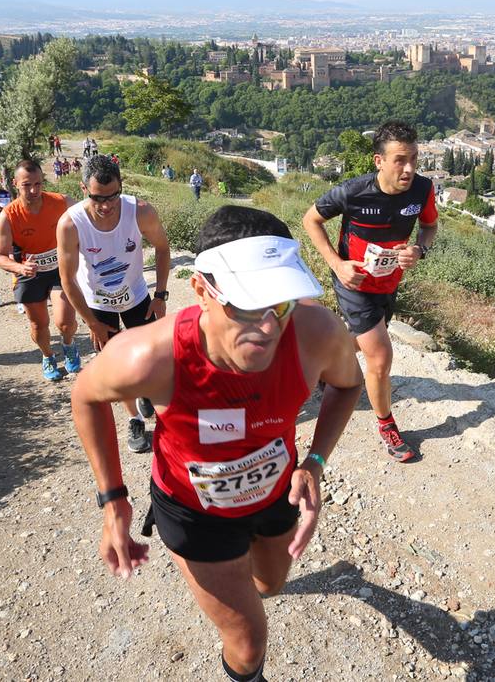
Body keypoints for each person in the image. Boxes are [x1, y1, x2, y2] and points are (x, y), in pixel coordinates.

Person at [69, 206, 363, 682]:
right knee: (249, 642)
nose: (268, 327)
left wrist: (315, 460)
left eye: (281, 303)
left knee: (270, 584)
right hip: (194, 513)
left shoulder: (318, 335)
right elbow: (85, 396)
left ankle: (240, 577)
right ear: (202, 291)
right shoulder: (149, 357)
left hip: (274, 495)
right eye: (247, 305)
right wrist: (112, 500)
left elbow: (349, 385)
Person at [302, 120, 437, 463]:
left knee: (363, 341)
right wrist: (337, 264)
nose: (409, 168)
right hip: (354, 284)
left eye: (414, 159)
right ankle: (387, 426)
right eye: (400, 160)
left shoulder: (422, 189)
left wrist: (420, 250)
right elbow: (310, 220)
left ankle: (319, 361)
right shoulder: (353, 191)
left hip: (388, 283)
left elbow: (429, 225)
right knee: (379, 356)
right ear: (379, 161)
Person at [57, 155, 172, 454]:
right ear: (83, 188)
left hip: (136, 296)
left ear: (121, 186)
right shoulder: (71, 224)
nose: (106, 205)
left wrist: (160, 295)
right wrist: (90, 322)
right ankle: (134, 419)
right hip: (97, 304)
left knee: (151, 357)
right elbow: (67, 279)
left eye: (113, 196)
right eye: (97, 198)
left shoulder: (141, 211)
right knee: (117, 364)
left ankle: (149, 396)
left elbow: (162, 247)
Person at [0, 160, 82, 381]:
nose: (33, 190)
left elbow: (88, 214)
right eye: (26, 185)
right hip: (30, 273)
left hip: (60, 269)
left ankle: (69, 346)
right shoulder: (9, 215)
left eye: (38, 184)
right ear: (14, 183)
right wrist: (19, 267)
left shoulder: (61, 202)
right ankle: (47, 356)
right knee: (39, 324)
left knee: (65, 322)